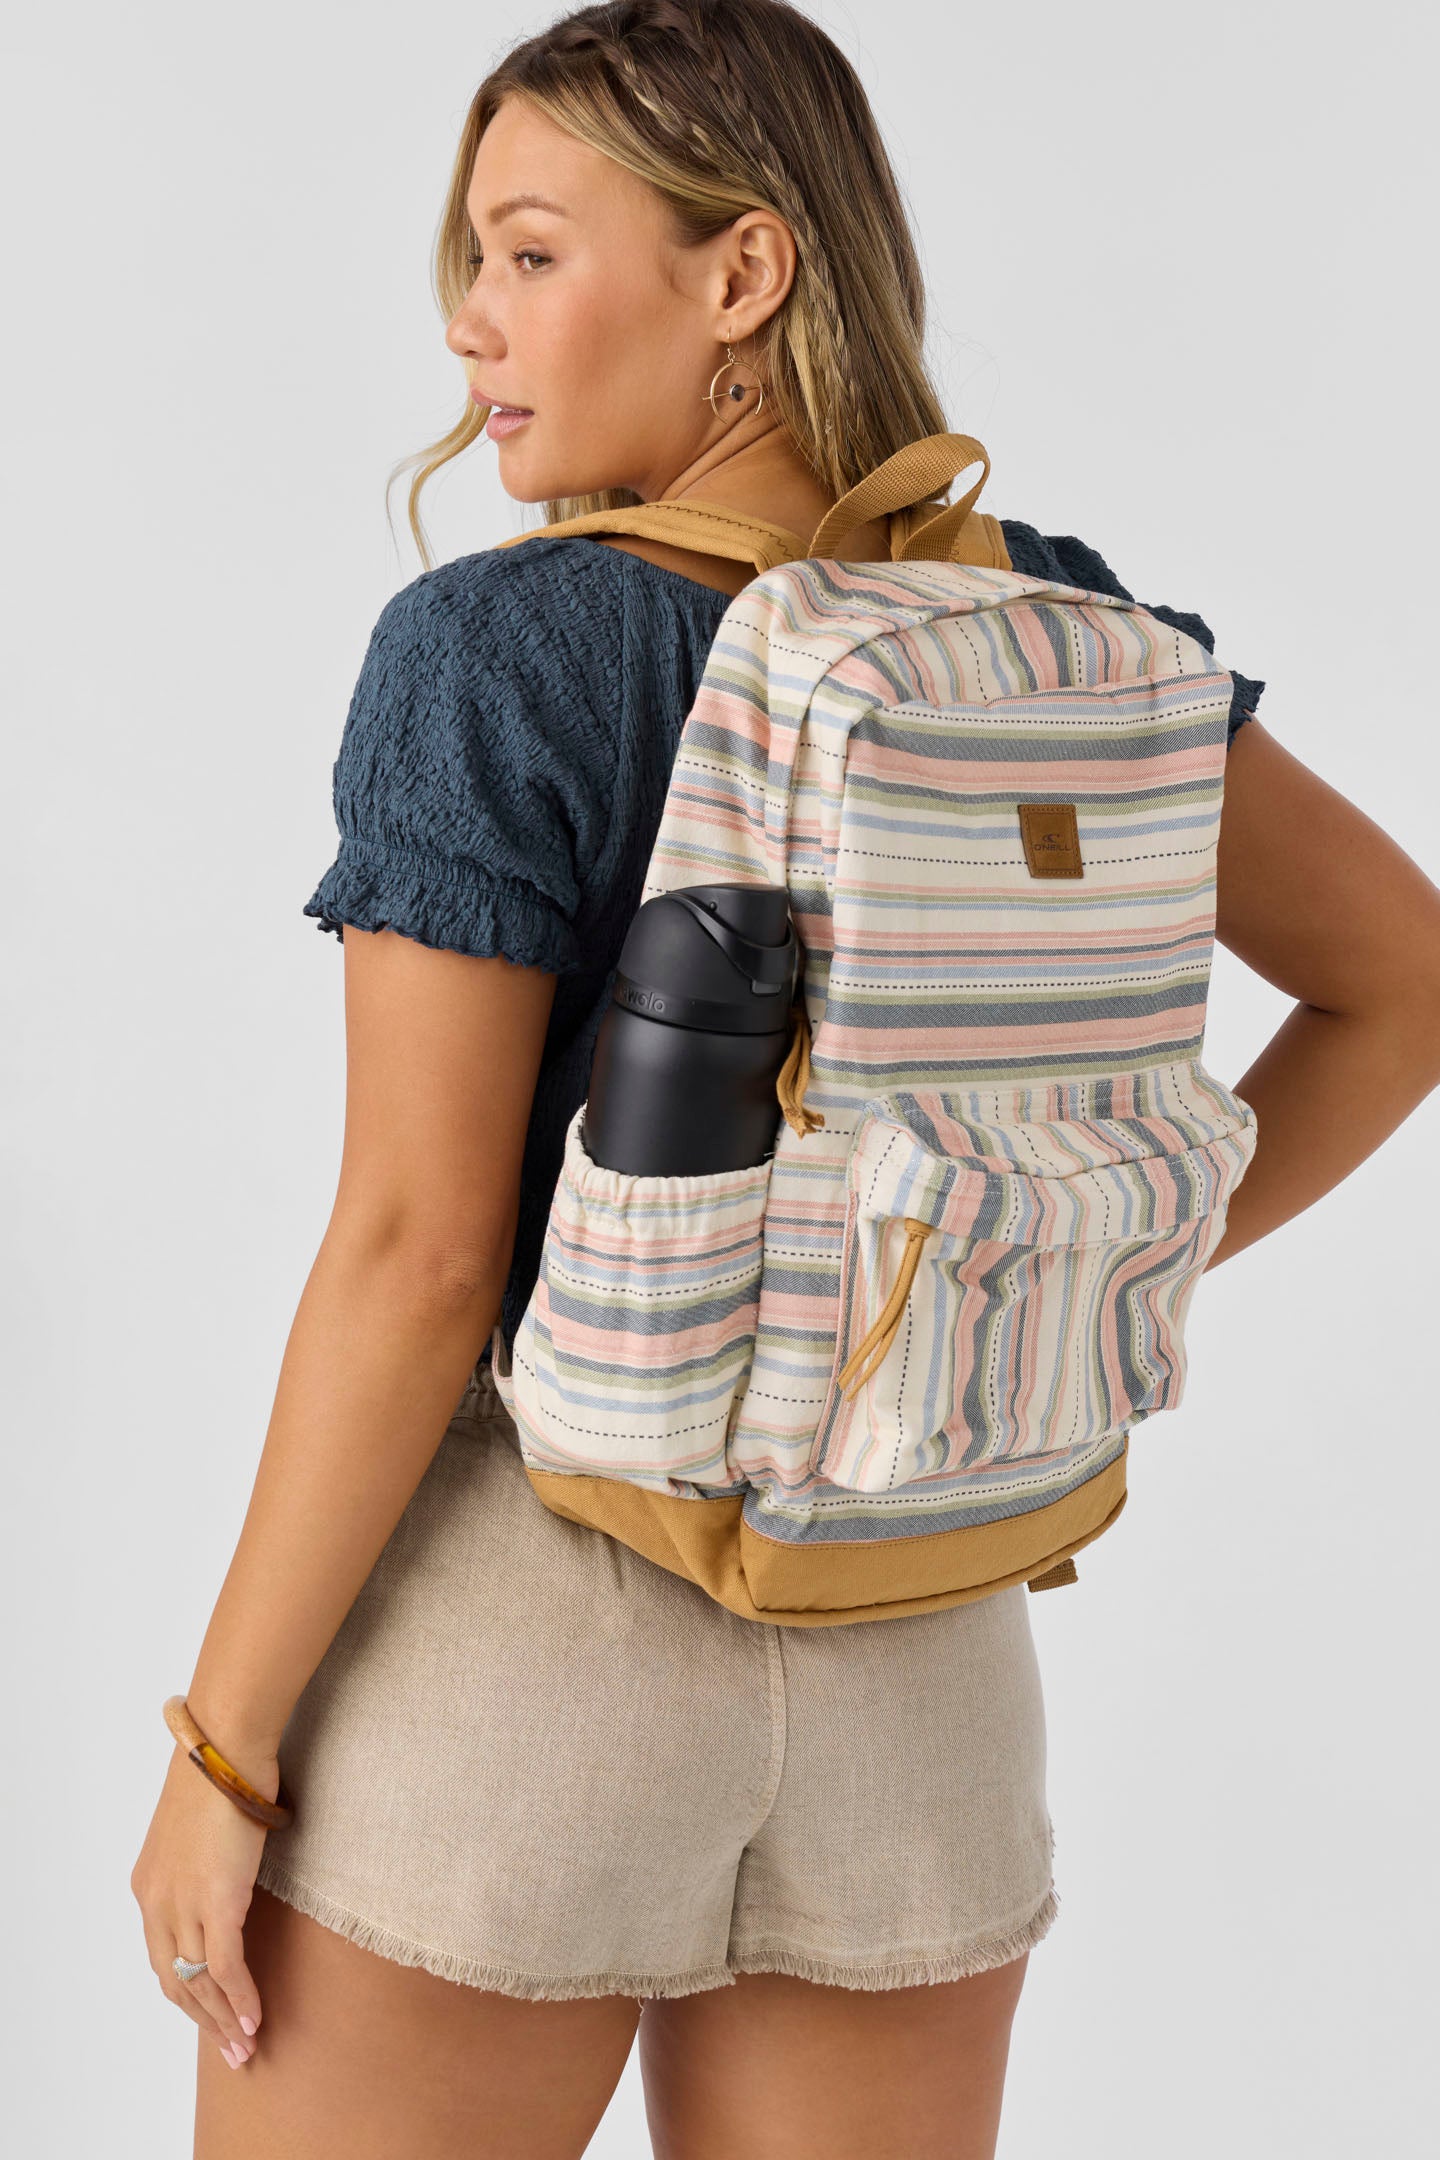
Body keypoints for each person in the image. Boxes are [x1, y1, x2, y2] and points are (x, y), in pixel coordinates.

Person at [129, 5, 1440, 2156]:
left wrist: (222, 1746)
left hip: (532, 1637)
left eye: (530, 251)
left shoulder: (503, 653)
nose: (470, 322)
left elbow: (418, 1255)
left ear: (743, 270)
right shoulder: (1058, 628)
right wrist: (1024, 1279)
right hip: (921, 1645)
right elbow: (1407, 983)